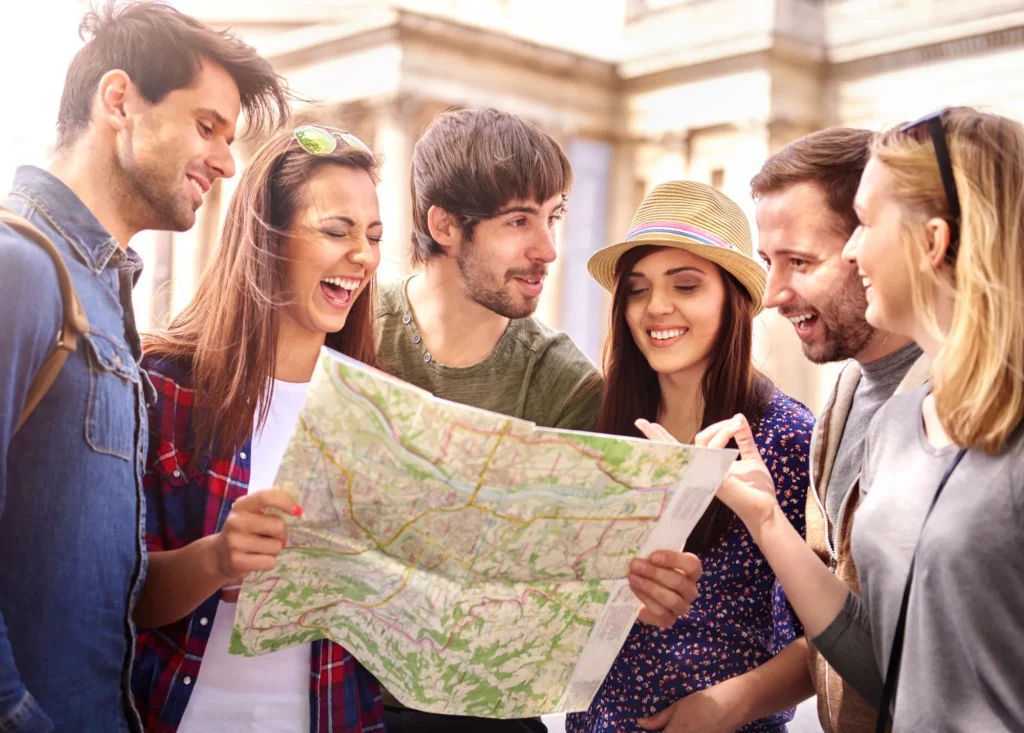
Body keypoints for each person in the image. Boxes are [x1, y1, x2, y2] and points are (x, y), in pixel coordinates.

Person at [0, 2, 288, 731]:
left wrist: (219, 556)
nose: (225, 161)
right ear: (120, 100)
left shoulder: (104, 296)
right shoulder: (20, 271)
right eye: (207, 126)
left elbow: (100, 582)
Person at [378, 108, 701, 733]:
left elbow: (582, 577)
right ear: (445, 225)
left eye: (553, 217)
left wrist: (641, 590)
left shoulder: (564, 381)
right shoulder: (350, 327)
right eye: (519, 221)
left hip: (483, 711)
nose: (547, 250)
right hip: (335, 696)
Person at [706, 106, 1024, 731]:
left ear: (931, 242)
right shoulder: (884, 409)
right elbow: (888, 658)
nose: (855, 249)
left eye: (867, 225)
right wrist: (767, 518)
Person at [131, 125, 384, 732]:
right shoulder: (160, 384)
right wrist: (219, 558)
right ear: (266, 238)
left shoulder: (379, 412)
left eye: (373, 237)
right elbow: (119, 594)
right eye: (337, 231)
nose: (364, 256)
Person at [571, 180, 815, 733]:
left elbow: (825, 635)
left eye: (685, 285)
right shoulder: (598, 421)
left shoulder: (788, 437)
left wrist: (727, 704)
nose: (655, 308)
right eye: (636, 289)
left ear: (736, 299)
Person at [750, 128, 928, 733]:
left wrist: (769, 526)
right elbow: (832, 617)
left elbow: (904, 664)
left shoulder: (953, 407)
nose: (772, 294)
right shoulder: (843, 395)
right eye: (767, 263)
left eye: (799, 262)